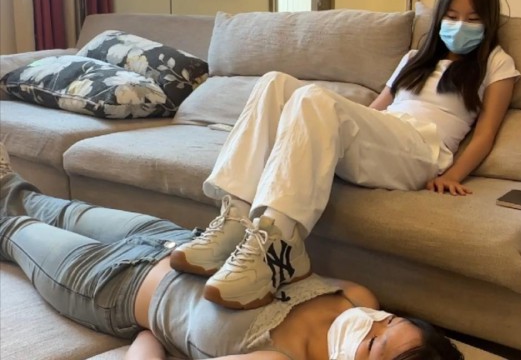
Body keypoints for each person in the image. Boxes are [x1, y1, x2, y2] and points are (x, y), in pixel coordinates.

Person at [171, 0, 521, 311]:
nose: (460, 26)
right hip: (385, 134)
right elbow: (376, 109)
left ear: (488, 22)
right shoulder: (414, 59)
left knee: (314, 98)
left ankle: (278, 250)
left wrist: (453, 176)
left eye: (472, 19)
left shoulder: (496, 62)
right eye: (452, 16)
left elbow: (486, 133)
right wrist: (325, 122)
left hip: (421, 151)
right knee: (275, 82)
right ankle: (236, 220)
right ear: (439, 16)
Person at [0, 144, 463, 360]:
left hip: (113, 285)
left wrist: (152, 333)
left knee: (14, 227)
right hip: (173, 240)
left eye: (375, 345)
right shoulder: (360, 299)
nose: (372, 323)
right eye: (391, 322)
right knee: (44, 204)